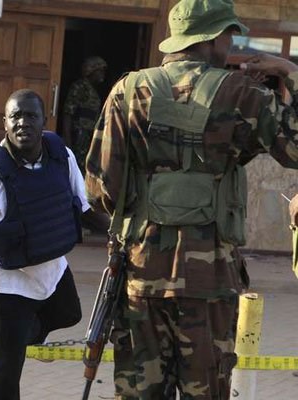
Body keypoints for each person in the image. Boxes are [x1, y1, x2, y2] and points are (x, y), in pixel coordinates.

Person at [85, 0, 298, 398]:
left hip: (140, 275)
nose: (231, 42)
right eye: (230, 34)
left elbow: (100, 188)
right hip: (211, 279)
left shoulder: (127, 91)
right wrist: (291, 72)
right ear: (214, 37)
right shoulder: (242, 93)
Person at [0, 89, 87, 400]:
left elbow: (80, 204)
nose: (23, 123)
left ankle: (27, 333)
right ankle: (14, 338)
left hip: (53, 267)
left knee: (71, 313)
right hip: (10, 282)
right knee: (4, 375)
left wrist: (118, 234)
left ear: (44, 121)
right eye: (15, 116)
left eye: (31, 116)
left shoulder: (60, 153)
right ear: (5, 122)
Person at [62, 56, 107, 174]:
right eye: (100, 71)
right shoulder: (79, 87)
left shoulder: (92, 89)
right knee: (76, 168)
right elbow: (68, 113)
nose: (102, 74)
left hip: (88, 135)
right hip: (79, 135)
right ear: (91, 71)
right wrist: (68, 140)